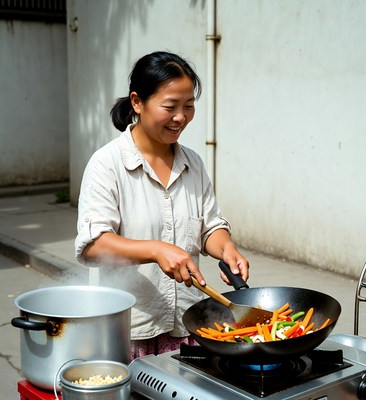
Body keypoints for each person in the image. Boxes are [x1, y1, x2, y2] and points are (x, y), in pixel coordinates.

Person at [75, 51, 249, 360]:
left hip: (188, 325)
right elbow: (93, 245)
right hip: (130, 329)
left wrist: (227, 249)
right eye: (170, 106)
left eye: (189, 106)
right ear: (137, 102)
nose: (181, 117)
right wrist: (155, 250)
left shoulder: (192, 162)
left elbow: (209, 227)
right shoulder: (107, 164)